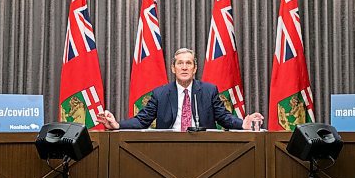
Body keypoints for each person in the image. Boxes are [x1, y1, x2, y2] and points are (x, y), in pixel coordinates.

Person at [97, 48, 264, 131]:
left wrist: (243, 123)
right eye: (180, 63)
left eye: (188, 63)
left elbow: (223, 118)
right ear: (173, 68)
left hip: (205, 149)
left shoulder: (209, 91)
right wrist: (117, 125)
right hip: (170, 149)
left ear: (195, 68)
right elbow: (142, 120)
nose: (184, 67)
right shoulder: (160, 94)